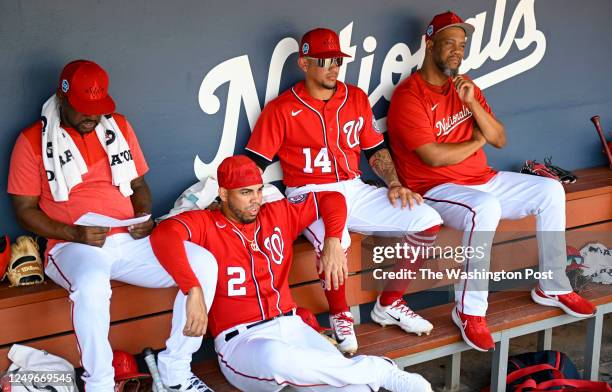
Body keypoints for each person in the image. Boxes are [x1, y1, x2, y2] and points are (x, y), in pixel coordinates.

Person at [386, 12, 596, 352]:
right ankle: (469, 311)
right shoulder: (409, 95)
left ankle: (553, 286)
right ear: (429, 44)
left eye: (462, 45)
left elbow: (499, 137)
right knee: (485, 207)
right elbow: (434, 157)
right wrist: (475, 141)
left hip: (482, 178)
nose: (457, 50)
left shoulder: (466, 86)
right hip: (435, 189)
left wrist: (472, 104)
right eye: (449, 43)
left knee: (549, 190)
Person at [7, 60, 217, 392]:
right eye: (84, 108)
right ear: (63, 99)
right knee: (91, 283)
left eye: (97, 107)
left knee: (203, 264)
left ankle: (176, 372)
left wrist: (144, 216)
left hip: (128, 239)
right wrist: (75, 233)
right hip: (74, 245)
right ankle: (100, 384)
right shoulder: (32, 140)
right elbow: (24, 210)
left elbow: (140, 187)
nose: (92, 116)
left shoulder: (116, 127)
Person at [150, 155, 433, 392]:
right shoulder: (205, 223)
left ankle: (371, 371)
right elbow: (164, 235)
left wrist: (333, 240)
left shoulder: (276, 214)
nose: (255, 200)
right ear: (223, 194)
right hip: (244, 343)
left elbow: (332, 198)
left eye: (258, 190)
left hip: (294, 327)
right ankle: (376, 368)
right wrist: (193, 289)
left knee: (354, 389)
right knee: (278, 358)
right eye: (245, 193)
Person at [245, 28, 443, 354]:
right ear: (304, 62)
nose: (333, 67)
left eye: (337, 59)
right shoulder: (281, 109)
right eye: (324, 61)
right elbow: (253, 164)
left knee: (427, 219)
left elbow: (375, 150)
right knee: (337, 241)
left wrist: (394, 182)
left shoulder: (355, 98)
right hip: (308, 192)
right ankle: (340, 314)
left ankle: (390, 303)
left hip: (352, 187)